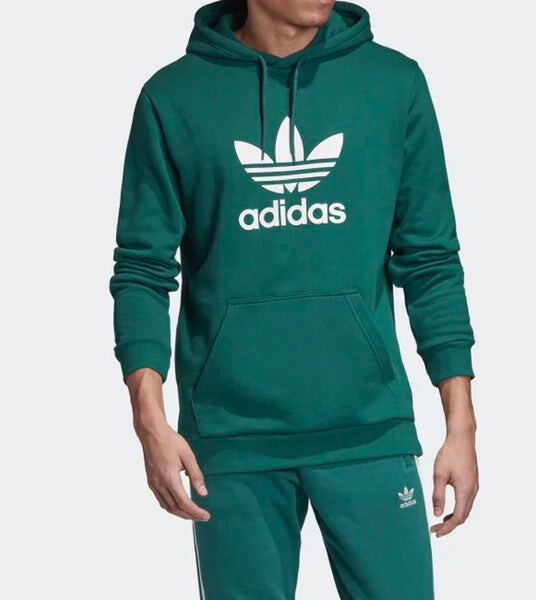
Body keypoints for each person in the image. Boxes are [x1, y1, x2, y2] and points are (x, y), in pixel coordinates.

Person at [110, 0, 478, 597]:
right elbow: (142, 271)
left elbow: (430, 259)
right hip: (232, 441)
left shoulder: (393, 84)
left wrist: (461, 424)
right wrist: (148, 421)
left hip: (369, 430)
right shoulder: (173, 97)